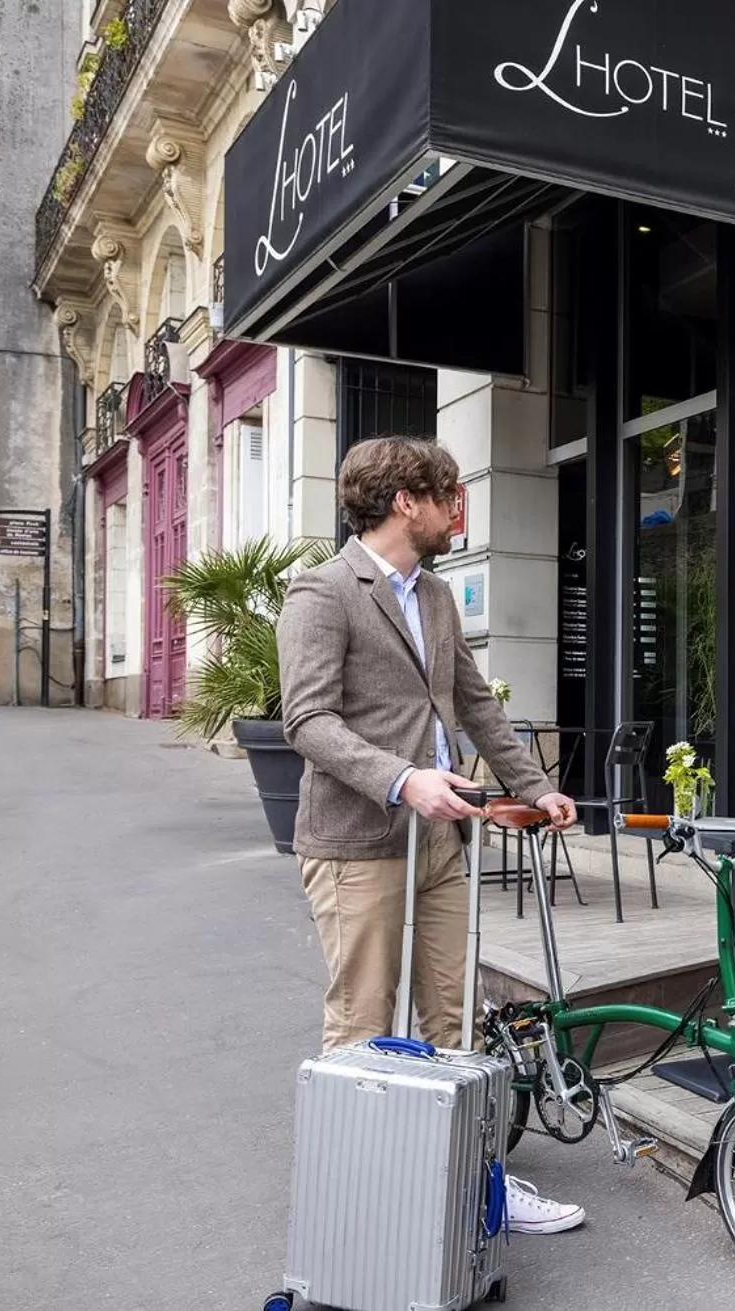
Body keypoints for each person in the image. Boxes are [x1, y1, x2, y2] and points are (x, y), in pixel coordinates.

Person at [278, 435, 585, 1235]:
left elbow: (476, 705)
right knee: (364, 1027)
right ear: (406, 501)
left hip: (441, 846)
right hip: (358, 843)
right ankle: (357, 1205)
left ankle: (473, 1183)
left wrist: (537, 786)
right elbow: (307, 721)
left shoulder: (439, 597)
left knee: (451, 1022)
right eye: (451, 495)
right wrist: (402, 777)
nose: (461, 511)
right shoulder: (323, 592)